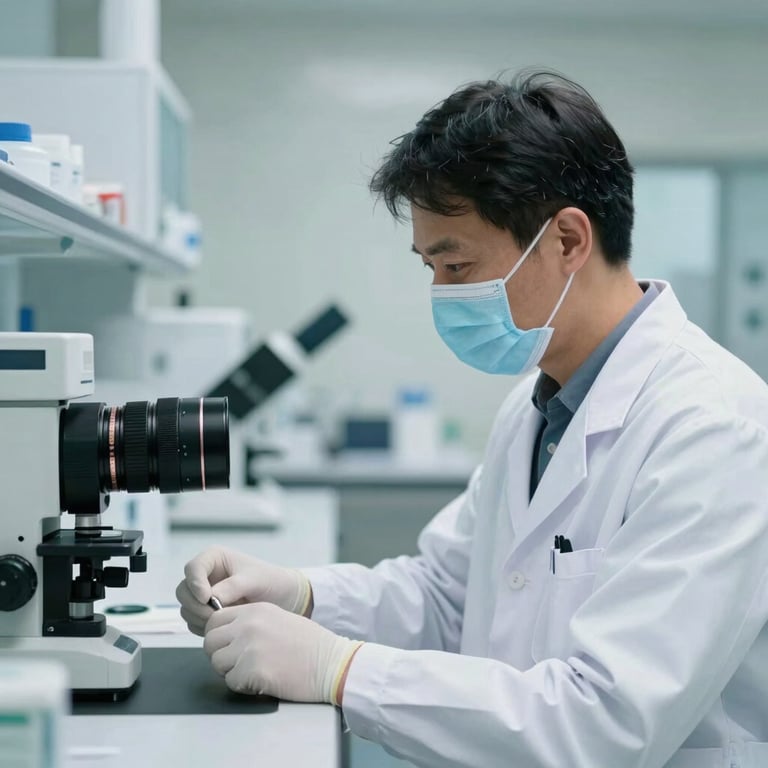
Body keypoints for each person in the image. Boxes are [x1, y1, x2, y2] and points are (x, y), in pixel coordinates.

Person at [176, 70, 768, 767]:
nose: (441, 293)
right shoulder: (540, 401)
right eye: (430, 264)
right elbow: (448, 594)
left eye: (457, 265)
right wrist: (304, 594)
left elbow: (605, 723)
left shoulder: (714, 428)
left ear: (569, 240)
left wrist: (340, 670)